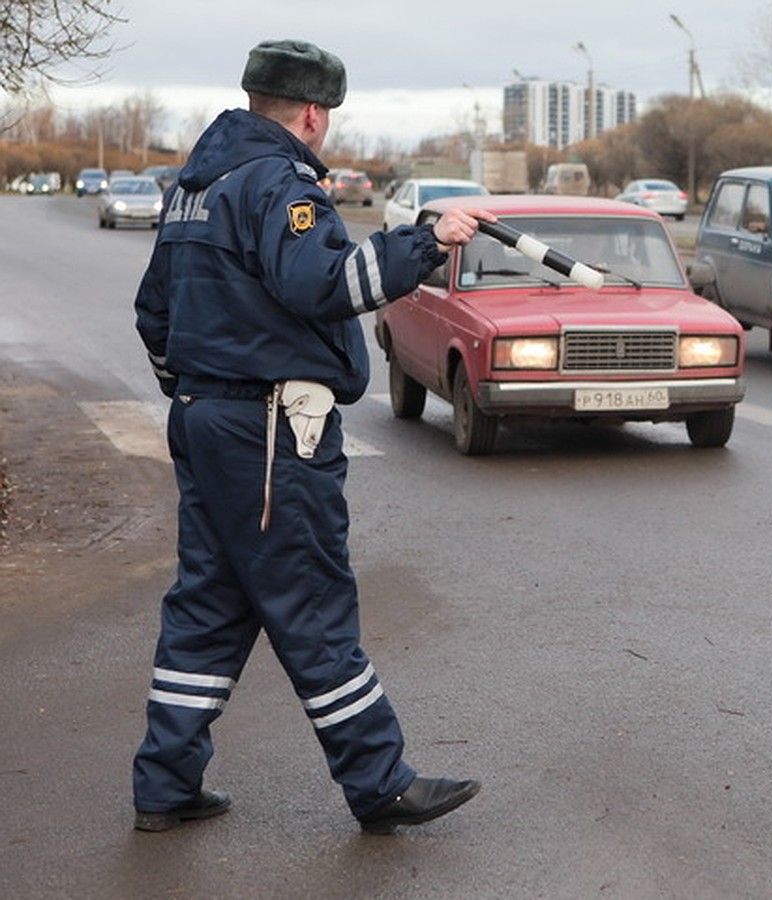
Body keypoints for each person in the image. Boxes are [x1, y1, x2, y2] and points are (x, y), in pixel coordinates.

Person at [131, 39, 494, 835]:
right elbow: (324, 283)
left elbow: (153, 314)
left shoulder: (195, 185)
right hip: (270, 432)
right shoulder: (281, 183)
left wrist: (195, 393)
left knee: (210, 606)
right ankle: (379, 781)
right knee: (313, 602)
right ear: (313, 114)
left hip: (205, 420)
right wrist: (427, 244)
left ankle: (163, 783)